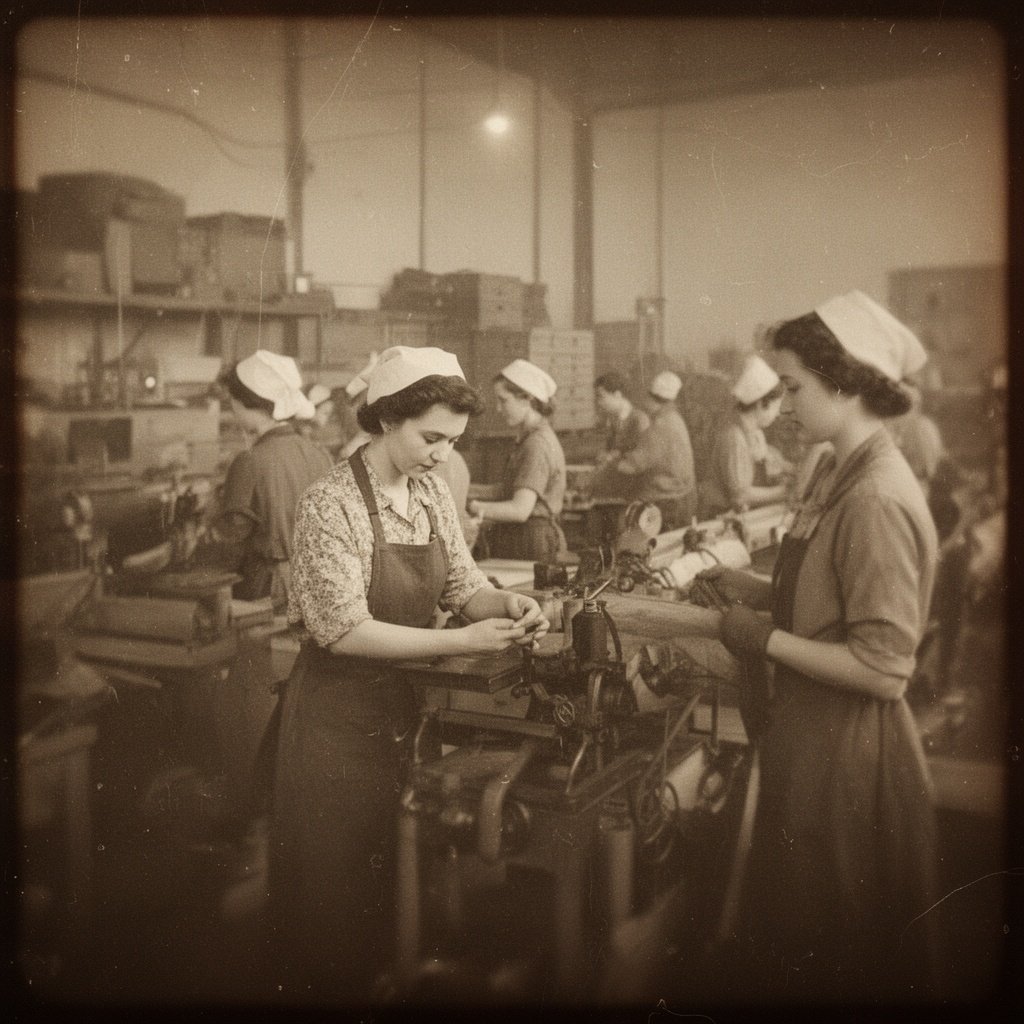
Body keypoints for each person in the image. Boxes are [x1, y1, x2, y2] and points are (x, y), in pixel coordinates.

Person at [270, 346, 549, 998]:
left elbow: (463, 585)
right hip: (336, 726)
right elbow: (344, 631)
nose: (443, 454)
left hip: (408, 712)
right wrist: (460, 637)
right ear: (387, 419)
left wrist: (502, 604)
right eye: (431, 438)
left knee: (404, 878)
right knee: (334, 901)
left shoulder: (429, 491)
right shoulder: (329, 503)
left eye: (453, 441)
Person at [692, 290, 940, 1001]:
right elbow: (824, 592)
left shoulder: (874, 498)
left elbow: (885, 669)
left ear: (846, 381)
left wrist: (761, 638)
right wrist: (746, 584)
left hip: (851, 760)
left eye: (794, 388)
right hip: (809, 743)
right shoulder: (840, 471)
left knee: (839, 952)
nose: (787, 406)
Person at [196, 350, 333, 609]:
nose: (232, 409)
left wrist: (202, 534)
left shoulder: (249, 461)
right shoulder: (320, 454)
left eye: (233, 402)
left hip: (268, 590)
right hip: (319, 583)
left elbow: (232, 537)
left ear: (250, 403)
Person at [468, 358, 568, 562]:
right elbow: (508, 489)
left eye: (503, 400)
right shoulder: (529, 437)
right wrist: (464, 490)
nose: (498, 408)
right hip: (525, 535)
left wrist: (470, 507)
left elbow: (520, 509)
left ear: (527, 399)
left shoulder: (537, 444)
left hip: (530, 539)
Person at [699, 354, 793, 519]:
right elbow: (740, 496)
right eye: (776, 406)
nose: (778, 414)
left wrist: (788, 469)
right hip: (718, 516)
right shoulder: (734, 437)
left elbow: (767, 459)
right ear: (760, 403)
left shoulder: (753, 432)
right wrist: (787, 491)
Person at [611, 369, 697, 532]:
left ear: (652, 399)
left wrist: (613, 461)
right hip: (682, 498)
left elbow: (631, 466)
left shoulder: (661, 426)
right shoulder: (675, 419)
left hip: (667, 505)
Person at [887, 378, 946, 499]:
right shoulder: (893, 426)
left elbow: (928, 467)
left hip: (916, 486)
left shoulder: (924, 427)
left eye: (916, 404)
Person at [594, 371, 650, 466]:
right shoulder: (614, 419)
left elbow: (643, 456)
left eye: (601, 397)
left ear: (617, 395)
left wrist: (612, 456)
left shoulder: (639, 419)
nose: (599, 402)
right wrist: (604, 454)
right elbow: (610, 448)